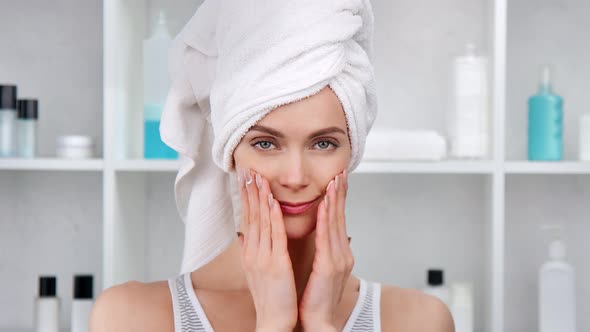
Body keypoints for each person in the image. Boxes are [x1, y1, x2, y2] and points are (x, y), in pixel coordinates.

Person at [88, 86, 454, 332]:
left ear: (352, 155)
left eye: (324, 143)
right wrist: (274, 324)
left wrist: (321, 324)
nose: (295, 177)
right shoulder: (130, 317)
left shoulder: (418, 320)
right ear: (230, 155)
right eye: (265, 143)